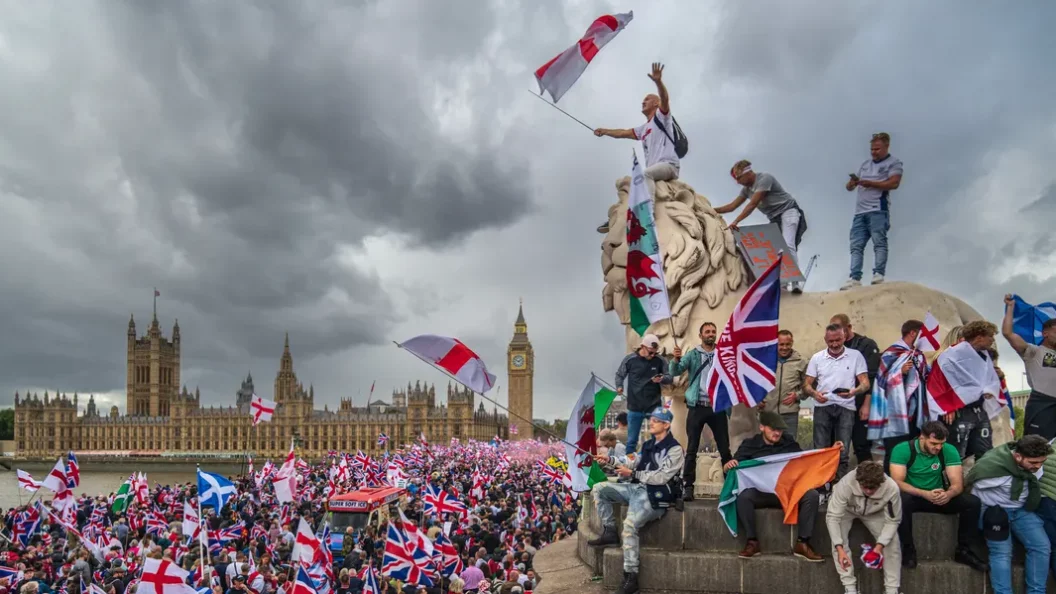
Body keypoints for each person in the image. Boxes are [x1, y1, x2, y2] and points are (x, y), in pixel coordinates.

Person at [588, 407, 684, 594]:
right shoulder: (648, 445)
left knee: (630, 525)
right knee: (599, 489)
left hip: (655, 495)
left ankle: (631, 577)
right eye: (652, 419)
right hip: (636, 488)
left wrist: (632, 473)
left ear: (666, 425)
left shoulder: (675, 449)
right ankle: (610, 531)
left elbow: (661, 477)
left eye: (656, 420)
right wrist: (610, 459)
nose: (651, 423)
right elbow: (632, 460)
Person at [725, 411, 824, 562]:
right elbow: (734, 467)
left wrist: (831, 452)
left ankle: (803, 543)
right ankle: (752, 542)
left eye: (780, 430)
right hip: (761, 493)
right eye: (773, 429)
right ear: (762, 427)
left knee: (812, 495)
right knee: (743, 498)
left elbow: (805, 461)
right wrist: (728, 466)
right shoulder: (749, 445)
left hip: (786, 492)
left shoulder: (789, 443)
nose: (777, 433)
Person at [889, 421, 986, 571]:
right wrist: (924, 493)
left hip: (939, 495)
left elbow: (957, 484)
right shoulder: (902, 449)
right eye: (934, 443)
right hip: (914, 496)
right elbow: (897, 482)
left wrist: (948, 494)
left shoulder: (948, 450)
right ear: (922, 437)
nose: (938, 447)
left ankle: (964, 551)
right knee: (899, 500)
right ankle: (908, 550)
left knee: (972, 503)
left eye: (941, 444)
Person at [594, 62, 679, 234]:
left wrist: (658, 82)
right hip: (656, 169)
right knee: (634, 186)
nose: (643, 102)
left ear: (656, 103)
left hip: (668, 165)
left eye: (647, 99)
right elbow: (623, 133)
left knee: (644, 175)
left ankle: (648, 215)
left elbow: (665, 98)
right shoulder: (644, 128)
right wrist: (605, 131)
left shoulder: (662, 118)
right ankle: (617, 218)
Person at [967, 435, 1052, 594]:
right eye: (1033, 463)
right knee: (1002, 552)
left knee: (1041, 546)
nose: (1038, 466)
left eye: (1042, 462)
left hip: (1021, 510)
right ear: (1018, 456)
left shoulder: (1033, 467)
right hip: (994, 510)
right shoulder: (993, 468)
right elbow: (971, 486)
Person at [715, 160, 808, 293]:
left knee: (788, 245)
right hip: (775, 218)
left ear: (748, 173)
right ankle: (782, 283)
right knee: (775, 251)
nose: (738, 182)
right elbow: (732, 206)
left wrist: (736, 221)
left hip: (788, 211)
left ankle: (795, 283)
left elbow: (752, 204)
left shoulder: (764, 179)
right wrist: (710, 209)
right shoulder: (746, 190)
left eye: (739, 178)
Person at [670, 322, 730, 499]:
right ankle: (688, 486)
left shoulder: (723, 354)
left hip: (717, 406)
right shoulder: (693, 354)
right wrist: (675, 359)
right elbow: (676, 371)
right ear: (701, 335)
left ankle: (730, 485)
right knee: (692, 448)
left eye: (713, 331)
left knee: (724, 448)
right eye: (707, 332)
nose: (711, 334)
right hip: (697, 406)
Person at [825, 461, 903, 594]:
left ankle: (892, 589)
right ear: (858, 481)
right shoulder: (846, 484)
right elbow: (832, 517)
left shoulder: (891, 488)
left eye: (872, 488)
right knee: (838, 540)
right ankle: (850, 588)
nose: (868, 491)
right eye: (865, 487)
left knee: (892, 542)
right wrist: (840, 548)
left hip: (875, 512)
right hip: (847, 509)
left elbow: (893, 520)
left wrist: (880, 546)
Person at [804, 324, 870, 479]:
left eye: (838, 340)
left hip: (846, 406)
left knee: (843, 450)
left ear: (844, 337)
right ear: (825, 339)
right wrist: (814, 394)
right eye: (831, 341)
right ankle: (820, 484)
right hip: (822, 405)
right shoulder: (817, 358)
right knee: (820, 449)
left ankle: (839, 484)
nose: (834, 344)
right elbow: (806, 384)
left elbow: (865, 383)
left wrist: (854, 391)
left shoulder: (855, 356)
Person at [841, 132, 904, 290]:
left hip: (878, 209)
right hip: (859, 212)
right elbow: (849, 187)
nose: (874, 152)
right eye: (872, 149)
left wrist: (872, 183)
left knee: (879, 242)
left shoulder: (894, 163)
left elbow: (894, 183)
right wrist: (852, 183)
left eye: (877, 149)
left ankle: (879, 274)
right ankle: (854, 277)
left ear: (886, 146)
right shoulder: (865, 164)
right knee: (856, 246)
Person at [868, 320, 928, 471]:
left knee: (913, 450)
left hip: (915, 412)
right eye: (922, 334)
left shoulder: (918, 355)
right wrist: (900, 372)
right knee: (894, 450)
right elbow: (881, 382)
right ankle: (891, 481)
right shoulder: (891, 353)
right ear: (913, 333)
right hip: (894, 413)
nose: (924, 338)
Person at [941, 321, 1000, 460]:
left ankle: (982, 474)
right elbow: (941, 381)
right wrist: (947, 406)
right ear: (979, 337)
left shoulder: (985, 356)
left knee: (985, 452)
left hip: (979, 410)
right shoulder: (953, 355)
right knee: (956, 453)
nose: (992, 340)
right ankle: (952, 475)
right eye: (990, 336)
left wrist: (990, 387)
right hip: (960, 411)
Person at [1002, 294, 1056, 440]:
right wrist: (1010, 307)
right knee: (1036, 446)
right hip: (1042, 405)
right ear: (1045, 333)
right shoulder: (1034, 351)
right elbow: (1008, 333)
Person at [831, 314, 881, 466]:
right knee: (837, 446)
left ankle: (868, 477)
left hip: (860, 402)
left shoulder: (866, 345)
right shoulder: (834, 346)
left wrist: (866, 404)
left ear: (849, 327)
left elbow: (872, 377)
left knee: (861, 445)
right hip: (839, 404)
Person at [614, 334, 673, 454]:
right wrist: (619, 386)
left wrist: (662, 378)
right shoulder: (630, 359)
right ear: (642, 347)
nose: (653, 355)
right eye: (650, 352)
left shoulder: (660, 360)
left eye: (655, 352)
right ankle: (630, 463)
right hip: (635, 406)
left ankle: (654, 461)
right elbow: (620, 374)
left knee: (657, 437)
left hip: (653, 406)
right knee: (631, 441)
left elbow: (670, 377)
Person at [760, 330, 807, 436]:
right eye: (781, 344)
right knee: (767, 444)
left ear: (792, 343)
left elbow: (809, 386)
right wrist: (758, 400)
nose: (784, 348)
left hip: (789, 414)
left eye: (787, 344)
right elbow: (756, 383)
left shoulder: (801, 362)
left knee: (789, 444)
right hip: (768, 412)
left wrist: (797, 395)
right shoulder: (765, 361)